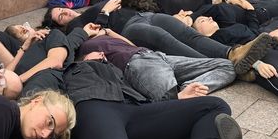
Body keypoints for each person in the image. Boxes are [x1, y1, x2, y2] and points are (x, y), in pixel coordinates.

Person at [42, 0, 274, 75]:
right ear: (58, 24)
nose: (65, 12)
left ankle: (233, 53)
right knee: (172, 43)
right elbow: (91, 35)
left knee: (189, 35)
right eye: (60, 16)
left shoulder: (87, 6)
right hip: (130, 29)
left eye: (62, 8)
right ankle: (227, 66)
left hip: (147, 14)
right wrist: (105, 12)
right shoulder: (74, 26)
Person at [63, 57, 245, 139]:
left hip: (133, 109)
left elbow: (145, 94)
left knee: (215, 106)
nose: (101, 54)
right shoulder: (73, 70)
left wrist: (176, 98)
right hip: (95, 104)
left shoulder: (115, 68)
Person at [78, 27, 235, 101]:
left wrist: (108, 32)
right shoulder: (85, 47)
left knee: (227, 66)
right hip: (137, 64)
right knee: (169, 100)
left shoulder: (106, 36)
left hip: (156, 57)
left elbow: (130, 45)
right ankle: (178, 95)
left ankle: (188, 86)